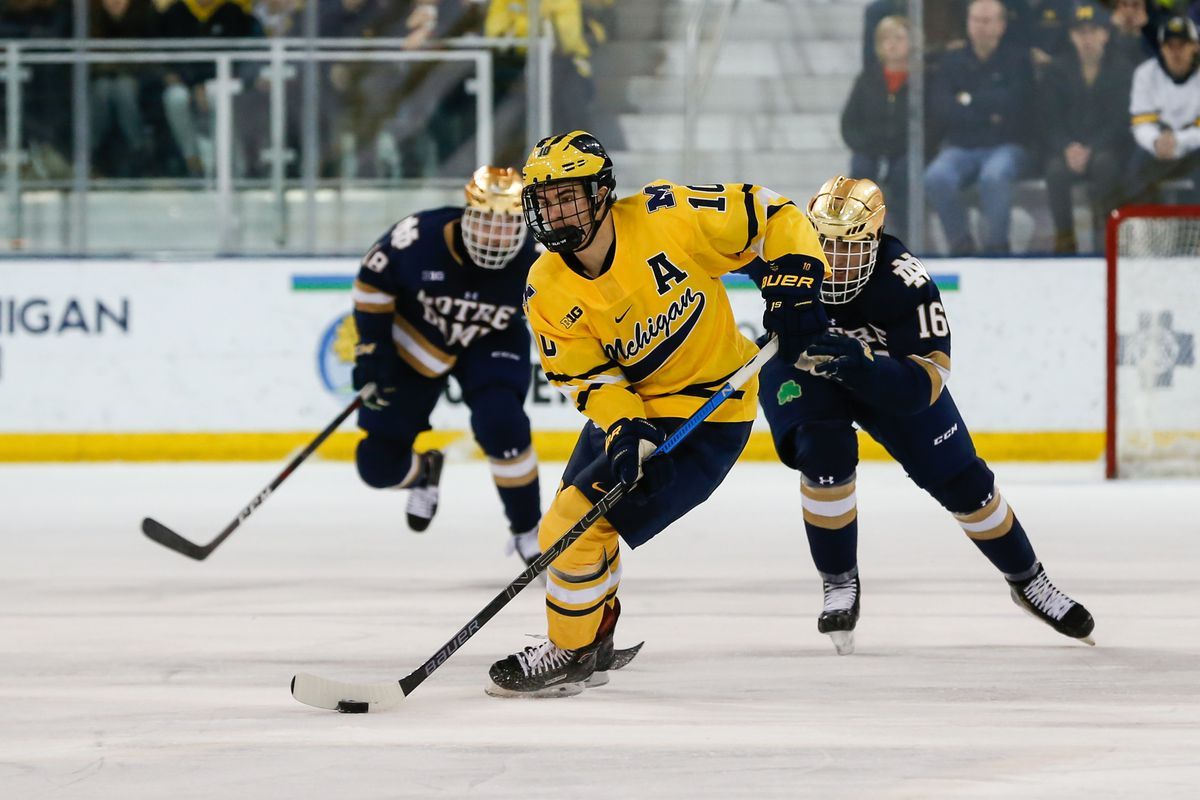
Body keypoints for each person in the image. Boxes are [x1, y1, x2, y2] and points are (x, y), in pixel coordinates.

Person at [485, 130, 830, 698]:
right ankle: (593, 632)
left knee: (568, 528)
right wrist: (625, 428)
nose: (554, 211)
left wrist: (796, 277)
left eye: (568, 196)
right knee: (580, 526)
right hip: (639, 412)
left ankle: (568, 651)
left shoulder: (667, 215)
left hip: (708, 414)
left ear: (601, 195)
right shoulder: (545, 286)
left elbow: (770, 211)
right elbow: (588, 376)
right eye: (545, 199)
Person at [746, 175, 1095, 656]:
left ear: (876, 234)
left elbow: (925, 382)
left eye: (848, 246)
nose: (833, 258)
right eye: (824, 241)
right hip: (803, 371)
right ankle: (839, 582)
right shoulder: (782, 246)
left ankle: (1028, 581)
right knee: (824, 454)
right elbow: (714, 247)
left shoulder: (905, 282)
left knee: (965, 483)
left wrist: (865, 369)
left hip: (886, 377)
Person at [349, 166, 544, 566]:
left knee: (502, 424)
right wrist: (373, 350)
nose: (496, 235)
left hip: (491, 340)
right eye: (487, 221)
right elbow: (372, 282)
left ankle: (528, 531)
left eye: (508, 224)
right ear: (467, 213)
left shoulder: (540, 257)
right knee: (376, 466)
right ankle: (423, 473)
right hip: (419, 339)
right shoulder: (420, 237)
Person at [924, 0, 1034, 255]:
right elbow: (942, 107)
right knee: (936, 176)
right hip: (961, 146)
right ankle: (961, 245)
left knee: (994, 176)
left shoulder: (1017, 59)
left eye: (987, 21)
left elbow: (1016, 104)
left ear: (1001, 25)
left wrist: (967, 99)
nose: (980, 27)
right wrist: (989, 111)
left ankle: (997, 246)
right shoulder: (952, 61)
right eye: (975, 20)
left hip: (1006, 144)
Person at [1039, 1, 1133, 253]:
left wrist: (1093, 147)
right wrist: (1067, 147)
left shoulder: (1121, 69)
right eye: (1081, 32)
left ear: (1105, 34)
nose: (1087, 38)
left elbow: (1120, 120)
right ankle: (1065, 239)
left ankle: (1105, 238)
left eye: (1093, 31)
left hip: (1105, 147)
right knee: (1055, 171)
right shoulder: (1057, 70)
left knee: (1106, 165)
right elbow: (1049, 119)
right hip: (1068, 148)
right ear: (1071, 35)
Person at [842, 14, 912, 241]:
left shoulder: (920, 79)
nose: (892, 44)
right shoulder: (868, 79)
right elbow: (849, 122)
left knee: (904, 173)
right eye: (886, 39)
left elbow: (931, 122)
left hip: (905, 150)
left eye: (899, 38)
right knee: (861, 170)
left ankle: (903, 232)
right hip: (871, 148)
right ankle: (860, 232)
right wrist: (866, 145)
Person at [1125, 14, 1200, 203]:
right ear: (1161, 48)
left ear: (1195, 46)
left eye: (1182, 45)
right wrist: (1155, 141)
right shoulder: (1145, 74)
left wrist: (1178, 140)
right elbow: (1140, 123)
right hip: (1157, 148)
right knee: (1135, 169)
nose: (1176, 52)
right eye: (1169, 45)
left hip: (1195, 149)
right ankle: (1146, 229)